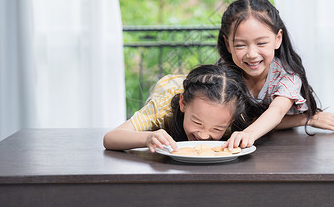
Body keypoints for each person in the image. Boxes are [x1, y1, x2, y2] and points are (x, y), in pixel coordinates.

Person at [217, 0, 334, 150]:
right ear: (227, 44)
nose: (252, 54)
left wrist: (247, 133)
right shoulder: (221, 75)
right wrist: (306, 119)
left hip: (282, 150)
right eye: (240, 45)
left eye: (261, 43)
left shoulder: (287, 75)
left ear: (278, 39)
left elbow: (276, 112)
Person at [103, 64, 249, 153]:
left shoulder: (233, 114)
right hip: (169, 88)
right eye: (197, 123)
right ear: (183, 104)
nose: (204, 136)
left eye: (217, 129)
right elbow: (111, 138)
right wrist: (148, 137)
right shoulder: (162, 108)